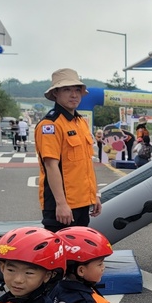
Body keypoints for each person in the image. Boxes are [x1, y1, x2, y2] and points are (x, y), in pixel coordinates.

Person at [35, 68, 102, 232]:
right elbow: (51, 166)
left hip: (82, 202)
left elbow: (85, 164)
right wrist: (61, 204)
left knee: (79, 252)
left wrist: (94, 195)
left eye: (77, 90)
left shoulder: (80, 122)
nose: (74, 95)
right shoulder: (50, 125)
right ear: (56, 93)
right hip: (63, 206)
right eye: (67, 90)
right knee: (60, 254)